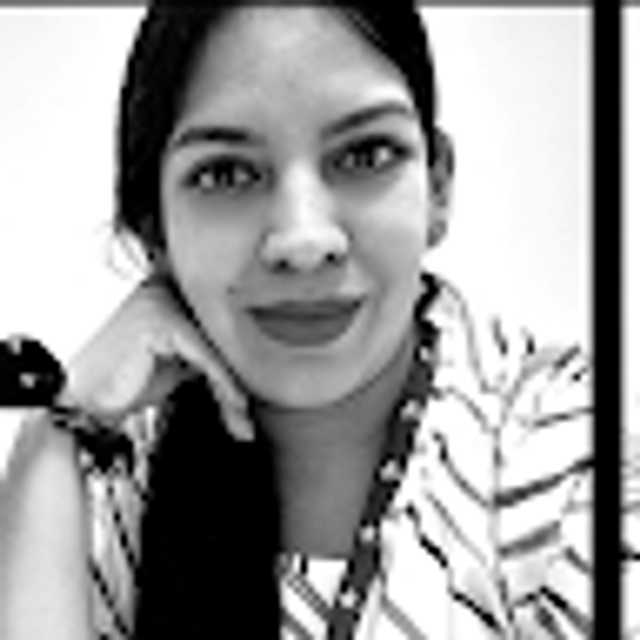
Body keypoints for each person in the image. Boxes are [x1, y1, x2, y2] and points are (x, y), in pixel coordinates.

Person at [0, 1, 597, 638]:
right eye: (227, 173)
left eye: (365, 154)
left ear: (439, 186)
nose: (304, 241)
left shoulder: (561, 464)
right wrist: (53, 428)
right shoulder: (102, 482)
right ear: (155, 229)